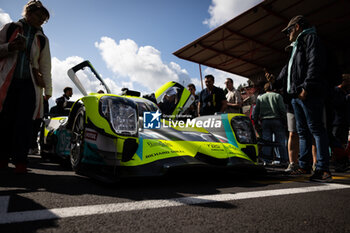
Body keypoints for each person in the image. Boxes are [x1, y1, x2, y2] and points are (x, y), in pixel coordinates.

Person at [270, 15, 332, 182]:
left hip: (307, 93)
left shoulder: (310, 38)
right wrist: (274, 82)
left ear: (296, 27)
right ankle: (304, 166)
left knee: (316, 130)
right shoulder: (296, 47)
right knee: (303, 132)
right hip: (296, 96)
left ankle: (323, 170)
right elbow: (287, 72)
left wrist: (307, 87)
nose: (287, 34)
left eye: (288, 30)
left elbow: (315, 63)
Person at [0, 0, 52, 173]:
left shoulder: (43, 39)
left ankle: (20, 161)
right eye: (38, 16)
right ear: (28, 13)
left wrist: (48, 91)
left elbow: (45, 65)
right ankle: (2, 158)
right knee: (5, 120)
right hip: (8, 82)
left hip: (29, 84)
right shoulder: (9, 28)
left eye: (43, 19)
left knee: (24, 123)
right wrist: (10, 46)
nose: (40, 20)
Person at [253, 83, 288, 165]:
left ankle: (266, 160)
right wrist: (285, 120)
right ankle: (283, 160)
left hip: (265, 121)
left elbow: (256, 111)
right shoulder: (277, 96)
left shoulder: (260, 98)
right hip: (277, 120)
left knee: (266, 141)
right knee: (280, 141)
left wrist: (255, 122)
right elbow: (282, 109)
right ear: (273, 88)